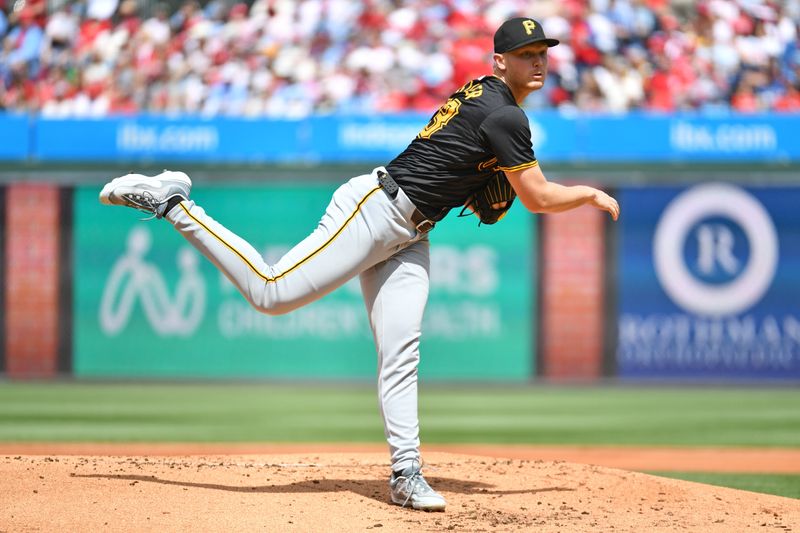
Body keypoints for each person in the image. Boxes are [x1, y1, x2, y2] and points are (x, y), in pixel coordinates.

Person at [100, 17, 620, 512]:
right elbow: (537, 198)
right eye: (525, 54)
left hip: (412, 232)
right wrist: (588, 194)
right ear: (500, 61)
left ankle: (406, 473)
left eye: (542, 53)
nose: (537, 62)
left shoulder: (486, 96)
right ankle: (172, 202)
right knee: (270, 293)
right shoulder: (506, 113)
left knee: (401, 350)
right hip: (374, 212)